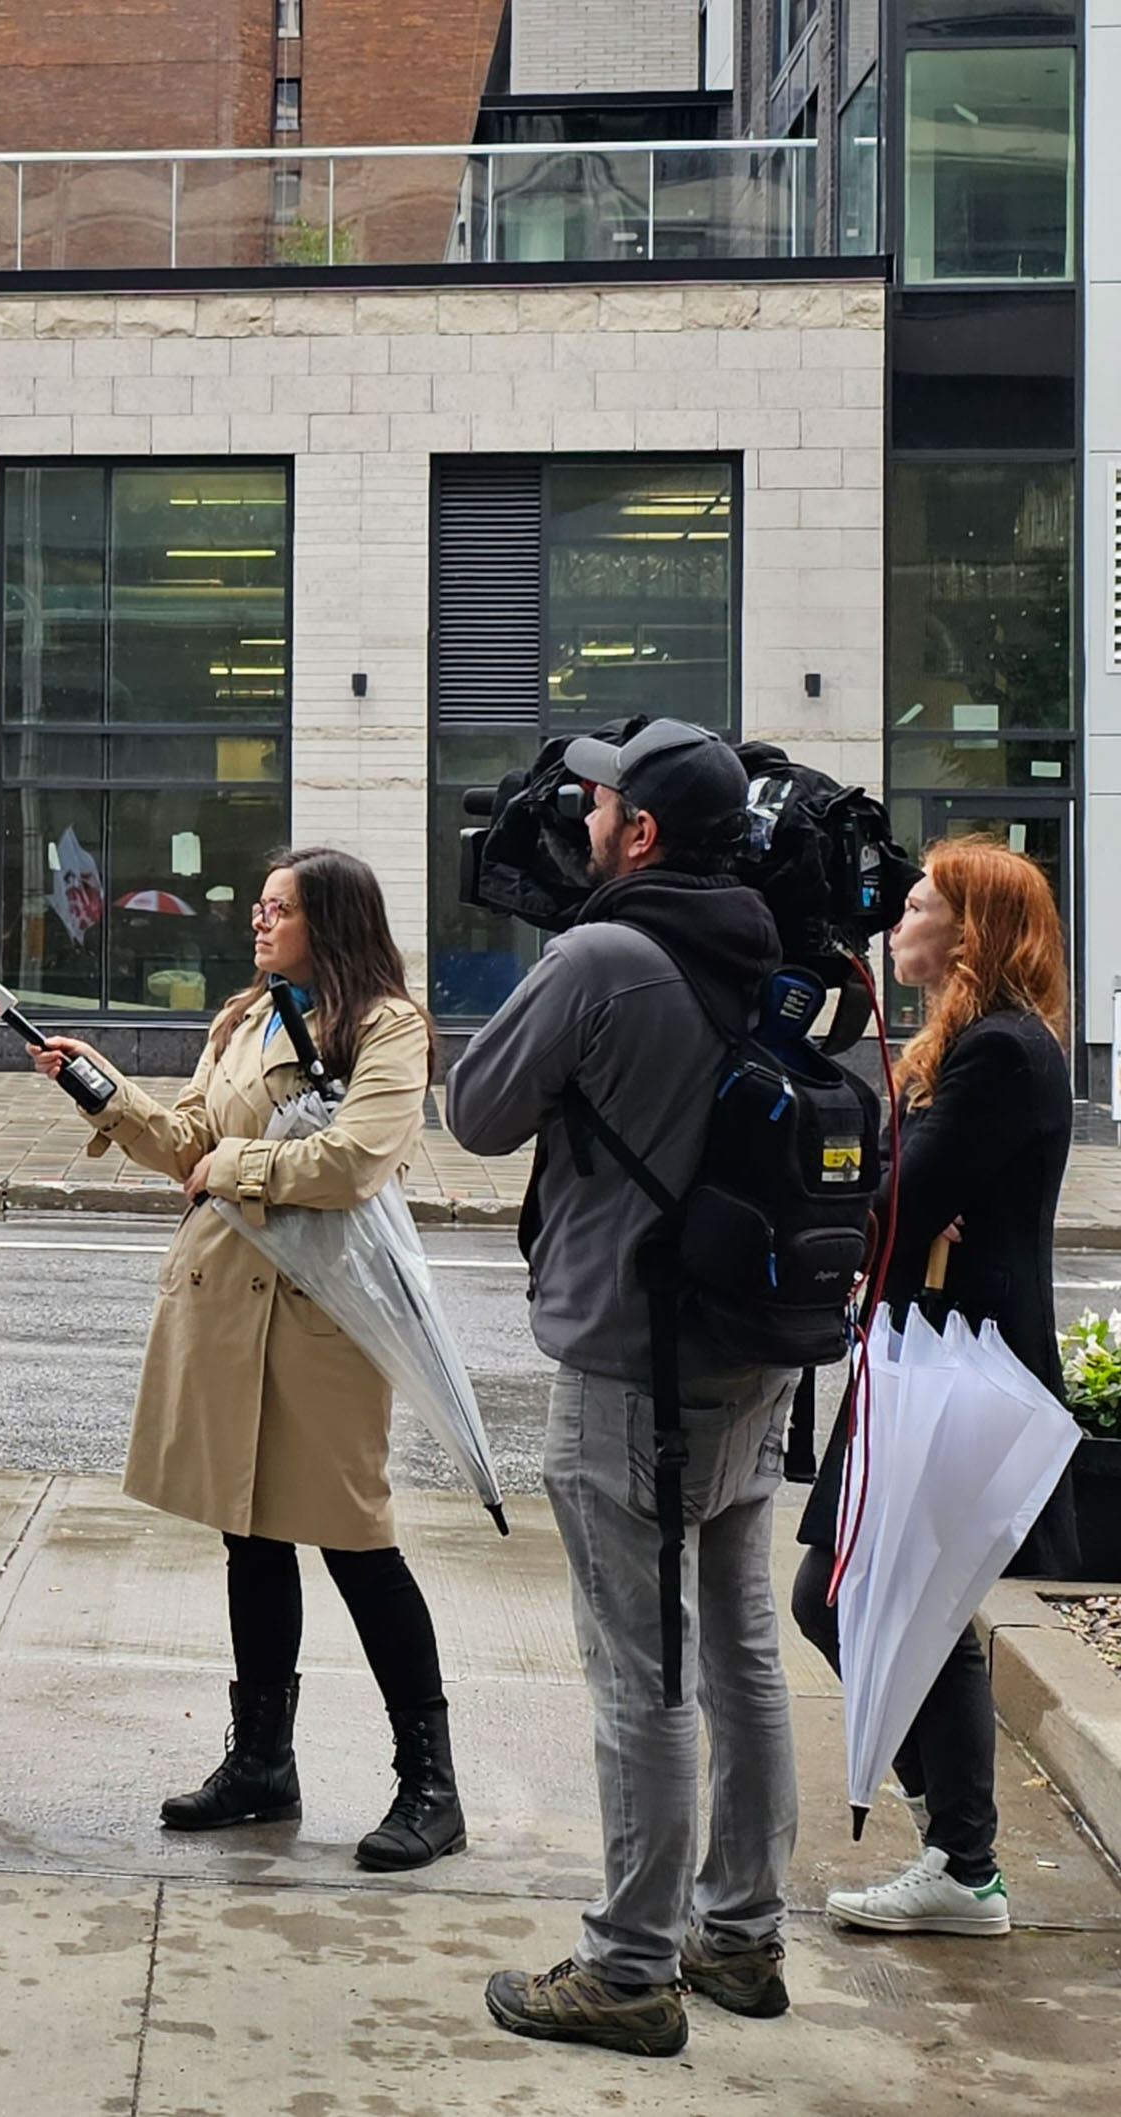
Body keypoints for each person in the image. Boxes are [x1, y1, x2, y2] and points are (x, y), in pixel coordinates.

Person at [445, 719, 797, 2058]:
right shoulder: (765, 937)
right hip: (753, 1355)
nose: (580, 822)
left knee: (638, 1674)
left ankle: (632, 1966)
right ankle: (742, 1935)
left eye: (597, 809)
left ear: (639, 833)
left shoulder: (601, 955)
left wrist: (560, 959)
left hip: (629, 1368)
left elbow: (477, 1110)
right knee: (744, 1654)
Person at [34, 849, 465, 1872]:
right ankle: (261, 1763)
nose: (257, 922)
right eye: (261, 906)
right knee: (249, 1535)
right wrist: (103, 1094)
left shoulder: (386, 1025)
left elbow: (354, 1158)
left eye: (277, 908)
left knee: (356, 1543)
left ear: (330, 920)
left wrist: (230, 1165)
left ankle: (429, 1783)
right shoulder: (244, 1016)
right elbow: (186, 1138)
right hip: (225, 1303)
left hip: (323, 1321)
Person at [793, 839, 1072, 1938]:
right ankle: (957, 1857)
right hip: (929, 1359)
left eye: (913, 904)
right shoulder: (974, 1044)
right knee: (887, 1601)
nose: (891, 919)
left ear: (969, 931)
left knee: (850, 1597)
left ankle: (961, 1862)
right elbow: (905, 1194)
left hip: (952, 1373)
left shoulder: (999, 1051)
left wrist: (885, 1186)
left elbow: (892, 1198)